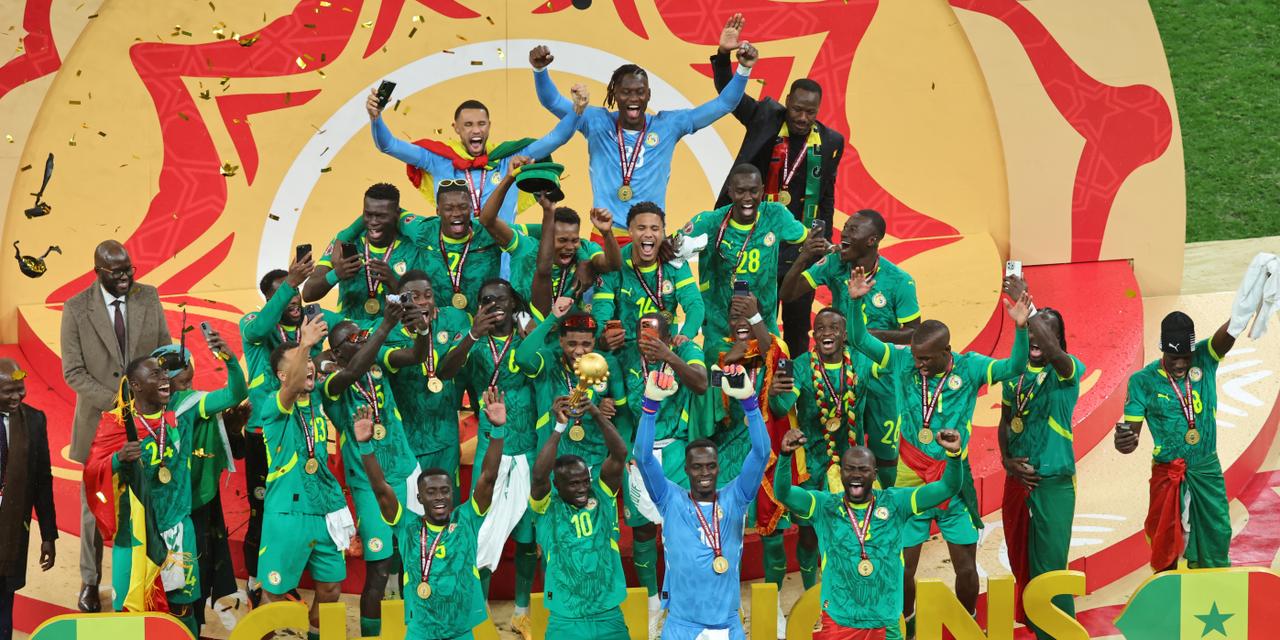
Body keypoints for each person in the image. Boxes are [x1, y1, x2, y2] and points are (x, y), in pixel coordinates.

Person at [846, 266, 1030, 633]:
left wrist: (1021, 328)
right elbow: (860, 341)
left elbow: (1015, 366)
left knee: (965, 566)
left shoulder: (972, 368)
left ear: (946, 351)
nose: (919, 365)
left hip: (952, 478)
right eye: (916, 358)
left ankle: (967, 623)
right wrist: (854, 304)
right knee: (903, 567)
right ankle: (908, 624)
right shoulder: (902, 362)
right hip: (908, 480)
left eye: (926, 359)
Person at [82, 331, 245, 636]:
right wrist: (118, 459)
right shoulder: (116, 423)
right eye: (155, 373)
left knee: (182, 611)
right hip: (134, 537)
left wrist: (229, 359)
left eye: (165, 372)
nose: (165, 377)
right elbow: (92, 472)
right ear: (135, 385)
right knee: (131, 616)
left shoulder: (183, 411)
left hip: (178, 531)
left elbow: (234, 394)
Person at [711, 13, 845, 359]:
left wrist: (822, 239)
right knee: (754, 319)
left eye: (810, 112)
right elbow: (731, 99)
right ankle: (754, 389)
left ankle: (795, 397)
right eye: (797, 110)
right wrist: (724, 57)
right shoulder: (766, 117)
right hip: (760, 242)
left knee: (799, 324)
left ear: (818, 111)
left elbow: (827, 193)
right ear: (788, 102)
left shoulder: (830, 141)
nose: (802, 118)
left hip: (799, 245)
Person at [528, 38, 757, 231]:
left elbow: (725, 103)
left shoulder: (668, 125)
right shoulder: (595, 120)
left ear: (649, 95)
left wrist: (744, 69)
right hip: (605, 234)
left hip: (650, 236)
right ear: (614, 93)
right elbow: (552, 101)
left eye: (639, 92)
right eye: (626, 92)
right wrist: (539, 70)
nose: (633, 99)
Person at [60, 240, 171, 613]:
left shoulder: (149, 297)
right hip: (99, 422)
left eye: (129, 270)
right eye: (117, 272)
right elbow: (73, 372)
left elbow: (163, 352)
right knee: (95, 504)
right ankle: (90, 581)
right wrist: (118, 404)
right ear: (98, 271)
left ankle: (152, 575)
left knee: (151, 495)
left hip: (148, 420)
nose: (126, 278)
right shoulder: (76, 309)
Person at [775, 427, 965, 639]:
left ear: (874, 475)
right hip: (839, 622)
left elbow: (948, 487)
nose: (856, 474)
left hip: (885, 623)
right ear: (841, 473)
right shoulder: (823, 506)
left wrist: (954, 455)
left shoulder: (896, 502)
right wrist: (784, 457)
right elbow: (783, 493)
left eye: (863, 469)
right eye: (849, 469)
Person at [780, 209, 919, 488]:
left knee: (885, 454)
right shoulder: (834, 264)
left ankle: (885, 510)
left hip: (880, 375)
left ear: (872, 240)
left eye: (853, 230)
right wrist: (805, 257)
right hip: (840, 370)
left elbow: (914, 334)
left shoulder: (899, 281)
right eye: (845, 227)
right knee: (838, 445)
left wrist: (864, 336)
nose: (844, 233)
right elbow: (788, 294)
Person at [436, 279, 540, 638]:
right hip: (491, 448)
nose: (492, 304)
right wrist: (472, 336)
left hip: (529, 445)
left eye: (499, 298)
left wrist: (532, 333)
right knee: (481, 531)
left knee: (527, 534)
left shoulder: (528, 334)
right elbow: (444, 372)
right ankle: (478, 613)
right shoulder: (475, 342)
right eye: (484, 301)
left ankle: (522, 612)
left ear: (514, 302)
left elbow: (551, 364)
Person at [360, 387, 505, 640]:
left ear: (452, 493)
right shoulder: (407, 525)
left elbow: (488, 478)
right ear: (419, 498)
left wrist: (498, 431)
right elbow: (381, 490)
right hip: (421, 631)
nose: (439, 497)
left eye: (445, 491)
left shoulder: (467, 519)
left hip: (461, 631)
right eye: (431, 492)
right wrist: (365, 447)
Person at [634, 365, 767, 640]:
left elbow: (761, 453)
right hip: (682, 626)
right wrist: (650, 407)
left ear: (718, 468)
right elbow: (644, 457)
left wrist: (750, 404)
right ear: (686, 469)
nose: (704, 473)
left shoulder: (736, 498)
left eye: (710, 466)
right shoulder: (670, 500)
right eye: (697, 467)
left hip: (728, 625)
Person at [239, 250, 339, 605]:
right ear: (271, 298)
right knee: (261, 508)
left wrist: (335, 274)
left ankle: (290, 574)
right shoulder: (255, 322)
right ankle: (257, 578)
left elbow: (341, 338)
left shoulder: (307, 327)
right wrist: (290, 285)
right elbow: (261, 330)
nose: (294, 300)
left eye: (296, 294)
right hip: (265, 429)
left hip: (304, 432)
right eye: (285, 294)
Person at [705, 293, 798, 636]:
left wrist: (758, 323)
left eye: (750, 313)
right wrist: (726, 362)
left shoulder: (778, 349)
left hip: (767, 451)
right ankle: (729, 606)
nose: (742, 319)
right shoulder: (718, 348)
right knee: (726, 537)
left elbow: (784, 389)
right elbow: (709, 392)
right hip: (730, 452)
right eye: (736, 313)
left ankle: (770, 606)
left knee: (772, 535)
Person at [1116, 310, 1238, 571]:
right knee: (1165, 539)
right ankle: (1169, 596)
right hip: (1167, 472)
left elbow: (1230, 332)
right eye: (1173, 358)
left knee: (1218, 530)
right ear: (1162, 350)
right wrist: (1125, 441)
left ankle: (1214, 589)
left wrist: (1250, 297)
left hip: (1206, 468)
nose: (1180, 364)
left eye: (1185, 357)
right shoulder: (1142, 382)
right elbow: (1131, 435)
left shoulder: (1205, 358)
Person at [319, 306, 415, 638]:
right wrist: (384, 326)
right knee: (378, 569)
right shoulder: (331, 384)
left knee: (412, 562)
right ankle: (371, 635)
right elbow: (351, 372)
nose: (362, 342)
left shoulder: (378, 364)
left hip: (405, 474)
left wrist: (422, 330)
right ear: (335, 352)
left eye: (364, 336)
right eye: (353, 339)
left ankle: (412, 629)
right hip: (369, 486)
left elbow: (415, 354)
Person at [995, 277, 1082, 636]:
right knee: (1022, 561)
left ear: (1057, 341)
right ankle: (1036, 626)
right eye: (1032, 329)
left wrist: (1029, 312)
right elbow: (1004, 422)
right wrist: (1005, 460)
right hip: (1017, 481)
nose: (1036, 336)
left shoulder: (1066, 372)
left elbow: (1053, 349)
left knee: (1050, 568)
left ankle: (1059, 632)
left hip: (1053, 483)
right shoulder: (1013, 374)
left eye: (1046, 332)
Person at [366, 82, 583, 226]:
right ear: (456, 128)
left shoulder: (509, 158)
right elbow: (389, 145)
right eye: (468, 125)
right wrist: (376, 118)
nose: (476, 130)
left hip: (502, 259)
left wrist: (577, 111)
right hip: (458, 259)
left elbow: (556, 138)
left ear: (489, 126)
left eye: (481, 124)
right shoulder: (437, 158)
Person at [256, 314, 352, 640]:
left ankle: (313, 635)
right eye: (301, 361)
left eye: (309, 360)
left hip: (324, 509)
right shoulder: (273, 405)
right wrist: (306, 343)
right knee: (273, 592)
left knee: (331, 588)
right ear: (283, 375)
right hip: (287, 511)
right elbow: (294, 384)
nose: (309, 365)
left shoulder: (319, 399)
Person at [771, 307, 871, 592]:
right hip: (813, 463)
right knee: (808, 534)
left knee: (853, 530)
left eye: (834, 328)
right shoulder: (797, 365)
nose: (827, 333)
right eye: (821, 328)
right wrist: (775, 393)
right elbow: (780, 410)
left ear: (845, 335)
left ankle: (850, 588)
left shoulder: (862, 363)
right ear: (813, 335)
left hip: (853, 461)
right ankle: (810, 593)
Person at [151, 340, 249, 631]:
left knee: (194, 574)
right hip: (156, 508)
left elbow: (236, 393)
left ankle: (189, 626)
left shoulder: (194, 404)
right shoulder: (139, 411)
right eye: (181, 383)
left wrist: (229, 358)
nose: (187, 388)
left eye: (190, 381)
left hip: (194, 504)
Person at [622, 312, 708, 637]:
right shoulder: (626, 358)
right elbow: (618, 410)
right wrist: (627, 454)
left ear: (669, 334)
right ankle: (653, 603)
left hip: (675, 452)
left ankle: (681, 601)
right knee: (642, 531)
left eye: (655, 336)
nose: (648, 342)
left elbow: (701, 384)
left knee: (681, 532)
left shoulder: (686, 350)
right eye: (642, 335)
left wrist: (669, 355)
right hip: (640, 453)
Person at [528, 391, 631, 639]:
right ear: (558, 485)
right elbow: (539, 476)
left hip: (608, 613)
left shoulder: (602, 495)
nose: (583, 488)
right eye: (574, 484)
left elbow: (619, 454)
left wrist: (595, 412)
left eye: (585, 481)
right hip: (566, 617)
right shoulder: (546, 507)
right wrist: (560, 427)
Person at [679, 163, 808, 361]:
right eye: (740, 191)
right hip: (719, 325)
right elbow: (670, 250)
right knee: (718, 381)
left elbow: (805, 238)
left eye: (753, 191)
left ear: (763, 191)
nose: (747, 198)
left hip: (763, 320)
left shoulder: (775, 214)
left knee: (776, 373)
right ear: (730, 192)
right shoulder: (710, 222)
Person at [478, 155, 620, 318]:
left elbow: (613, 264)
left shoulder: (585, 249)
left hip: (565, 336)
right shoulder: (525, 247)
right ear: (547, 236)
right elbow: (487, 220)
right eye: (562, 240)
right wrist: (510, 178)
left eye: (574, 240)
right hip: (525, 332)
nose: (569, 247)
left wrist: (607, 232)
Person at [377, 270, 470, 486]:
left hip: (446, 437)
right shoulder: (389, 333)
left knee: (446, 505)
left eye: (428, 295)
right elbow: (414, 356)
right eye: (414, 296)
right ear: (400, 300)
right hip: (407, 442)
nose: (422, 302)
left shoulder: (453, 318)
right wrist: (422, 330)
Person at [515, 300, 630, 473]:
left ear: (594, 341)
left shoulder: (607, 363)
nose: (578, 351)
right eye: (571, 344)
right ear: (561, 341)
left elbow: (623, 417)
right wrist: (552, 318)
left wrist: (623, 458)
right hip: (553, 459)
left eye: (586, 344)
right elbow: (522, 358)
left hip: (595, 458)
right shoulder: (548, 360)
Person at [593, 202, 704, 375]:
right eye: (641, 228)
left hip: (664, 356)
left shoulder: (674, 263)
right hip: (625, 358)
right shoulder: (615, 264)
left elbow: (695, 305)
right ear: (630, 230)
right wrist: (602, 338)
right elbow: (602, 313)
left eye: (655, 228)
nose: (648, 234)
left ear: (663, 232)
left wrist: (686, 334)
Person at [306, 183, 424, 327]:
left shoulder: (412, 248)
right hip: (348, 335)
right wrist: (337, 274)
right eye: (368, 214)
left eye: (381, 216)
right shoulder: (346, 243)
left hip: (393, 337)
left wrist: (392, 282)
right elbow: (308, 294)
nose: (373, 222)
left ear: (396, 214)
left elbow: (420, 309)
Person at [0, 359, 57, 640]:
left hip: (10, 533)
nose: (16, 397)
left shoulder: (34, 420)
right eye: (8, 391)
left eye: (20, 390)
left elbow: (42, 481)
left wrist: (49, 534)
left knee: (3, 603)